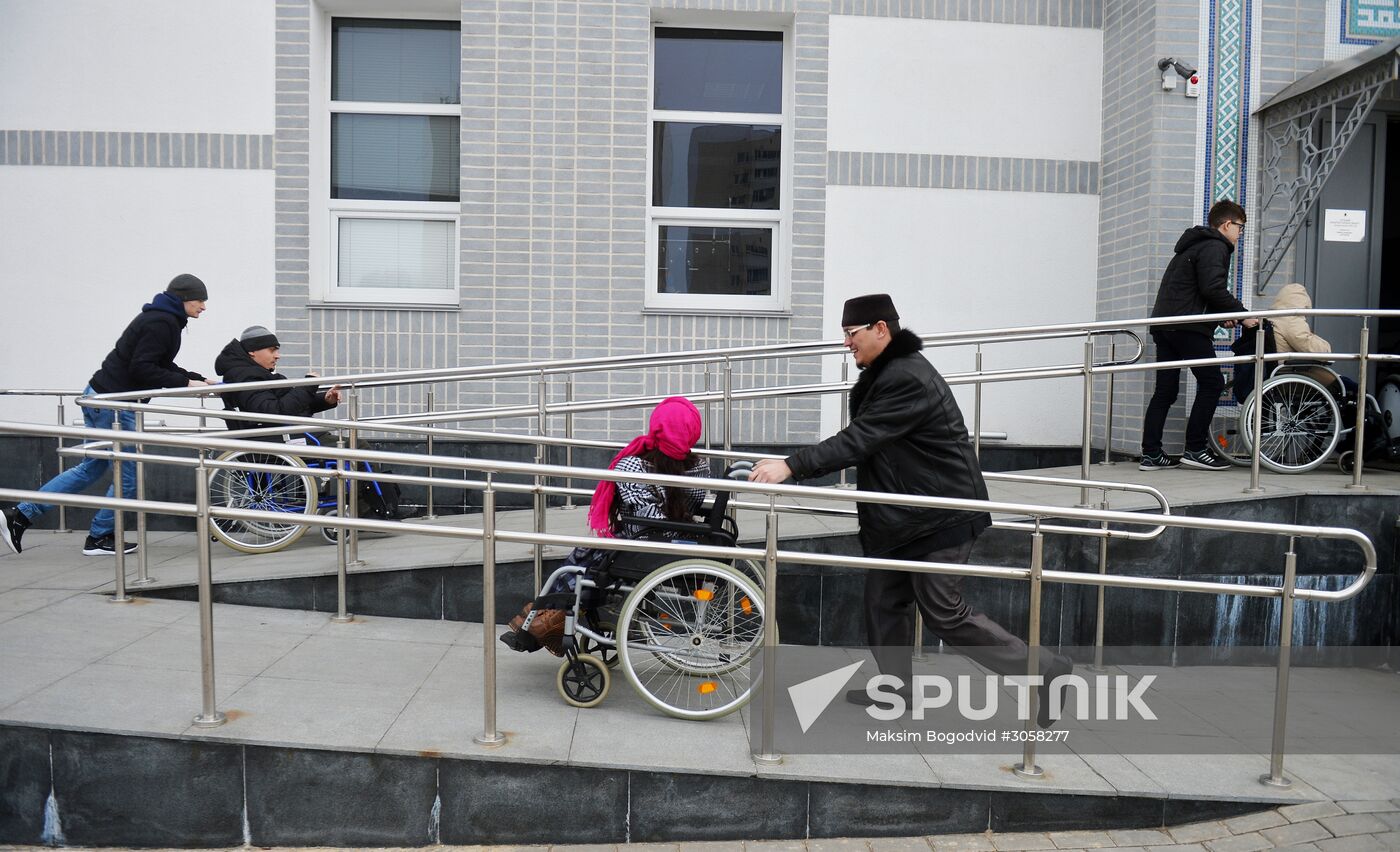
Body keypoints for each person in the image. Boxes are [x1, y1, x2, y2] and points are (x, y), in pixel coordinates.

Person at [749, 294, 1072, 728]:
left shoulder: (906, 378)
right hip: (905, 515)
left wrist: (791, 465)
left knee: (944, 612)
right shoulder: (891, 372)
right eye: (844, 334)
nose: (847, 343)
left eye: (852, 334)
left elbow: (860, 439)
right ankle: (897, 690)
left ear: (881, 328)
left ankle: (1046, 672)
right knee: (883, 601)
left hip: (941, 514)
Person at [1, 274, 213, 557]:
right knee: (127, 476)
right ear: (184, 298)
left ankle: (20, 515)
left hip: (103, 397)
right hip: (113, 403)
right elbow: (143, 368)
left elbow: (158, 363)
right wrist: (186, 384)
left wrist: (197, 379)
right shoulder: (161, 322)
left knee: (92, 468)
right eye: (201, 300)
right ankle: (99, 536)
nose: (204, 307)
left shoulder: (163, 319)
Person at [499, 396, 708, 656]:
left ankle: (544, 618)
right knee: (587, 554)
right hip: (676, 541)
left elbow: (646, 519)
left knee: (584, 562)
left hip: (646, 545)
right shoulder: (700, 467)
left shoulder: (632, 464)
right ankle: (544, 616)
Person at [1140, 199, 1259, 472]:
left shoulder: (1191, 246)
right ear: (1227, 224)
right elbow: (1212, 288)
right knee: (1212, 383)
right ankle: (1195, 448)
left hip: (1166, 325)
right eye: (1240, 227)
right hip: (1187, 327)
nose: (1241, 233)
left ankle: (1151, 454)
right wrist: (1243, 315)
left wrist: (1222, 317)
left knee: (1165, 391)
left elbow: (1196, 291)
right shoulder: (1216, 246)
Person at [214, 325, 342, 433]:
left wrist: (325, 399)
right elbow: (275, 412)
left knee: (357, 447)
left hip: (292, 435)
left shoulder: (253, 374)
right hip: (285, 438)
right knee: (358, 448)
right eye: (272, 350)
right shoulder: (247, 377)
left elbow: (290, 405)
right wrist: (308, 386)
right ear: (252, 351)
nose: (277, 356)